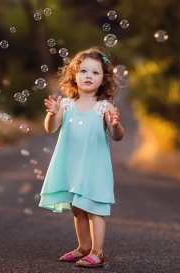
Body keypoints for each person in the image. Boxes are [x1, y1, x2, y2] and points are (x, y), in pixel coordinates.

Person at [39, 47, 124, 268]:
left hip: (94, 167)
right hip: (72, 167)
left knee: (95, 208)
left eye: (95, 73)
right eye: (83, 71)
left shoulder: (104, 106)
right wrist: (51, 113)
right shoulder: (66, 104)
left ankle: (99, 252)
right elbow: (51, 128)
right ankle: (84, 247)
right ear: (73, 76)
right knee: (77, 208)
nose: (88, 76)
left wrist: (115, 125)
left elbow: (117, 136)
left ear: (104, 79)